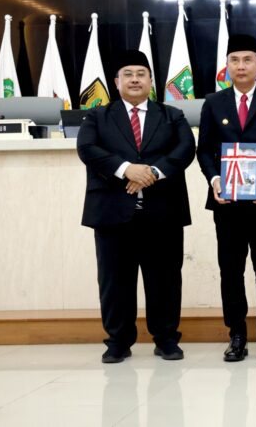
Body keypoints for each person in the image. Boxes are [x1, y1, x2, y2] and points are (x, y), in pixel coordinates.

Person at [77, 50, 194, 363]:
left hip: (163, 213)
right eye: (127, 74)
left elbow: (185, 150)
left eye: (141, 74)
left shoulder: (172, 115)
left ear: (151, 81)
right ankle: (118, 341)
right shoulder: (97, 116)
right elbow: (87, 148)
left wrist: (151, 173)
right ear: (116, 82)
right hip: (113, 214)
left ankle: (166, 339)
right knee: (115, 281)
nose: (134, 79)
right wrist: (125, 169)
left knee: (165, 280)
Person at [197, 34, 256, 362]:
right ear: (227, 66)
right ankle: (236, 334)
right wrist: (214, 179)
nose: (241, 66)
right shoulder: (213, 102)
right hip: (226, 204)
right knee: (230, 269)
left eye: (247, 60)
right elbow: (204, 150)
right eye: (234, 60)